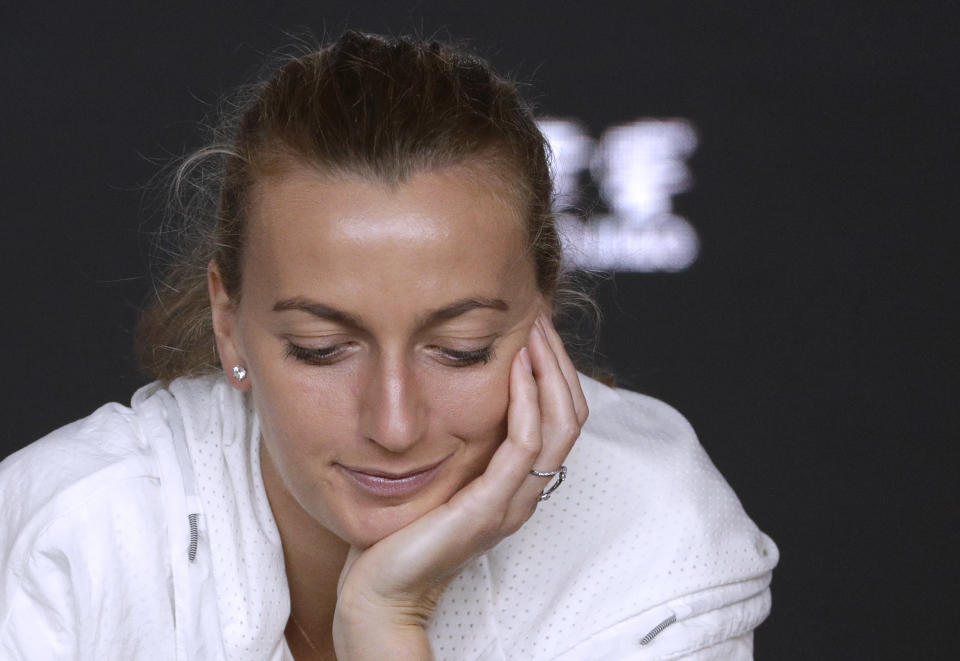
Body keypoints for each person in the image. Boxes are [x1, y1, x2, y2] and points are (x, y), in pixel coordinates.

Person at [0, 30, 778, 660]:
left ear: (545, 314)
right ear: (228, 322)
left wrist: (386, 622)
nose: (395, 424)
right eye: (319, 347)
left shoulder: (647, 539)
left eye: (463, 347)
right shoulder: (70, 540)